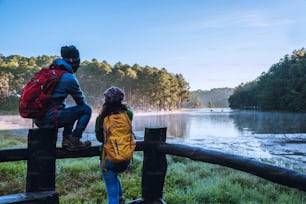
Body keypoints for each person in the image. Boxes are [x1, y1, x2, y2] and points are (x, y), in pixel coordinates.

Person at [34, 45, 92, 151]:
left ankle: (67, 140)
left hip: (38, 118)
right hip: (50, 119)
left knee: (68, 107)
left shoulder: (50, 72)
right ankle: (74, 140)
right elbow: (81, 102)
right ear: (73, 61)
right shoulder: (68, 78)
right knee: (86, 110)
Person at [95, 86, 134, 204]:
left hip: (109, 159)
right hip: (125, 159)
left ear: (106, 100)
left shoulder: (101, 117)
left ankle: (118, 199)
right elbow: (130, 107)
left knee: (111, 193)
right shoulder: (128, 114)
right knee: (115, 177)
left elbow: (99, 138)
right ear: (121, 99)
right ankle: (121, 198)